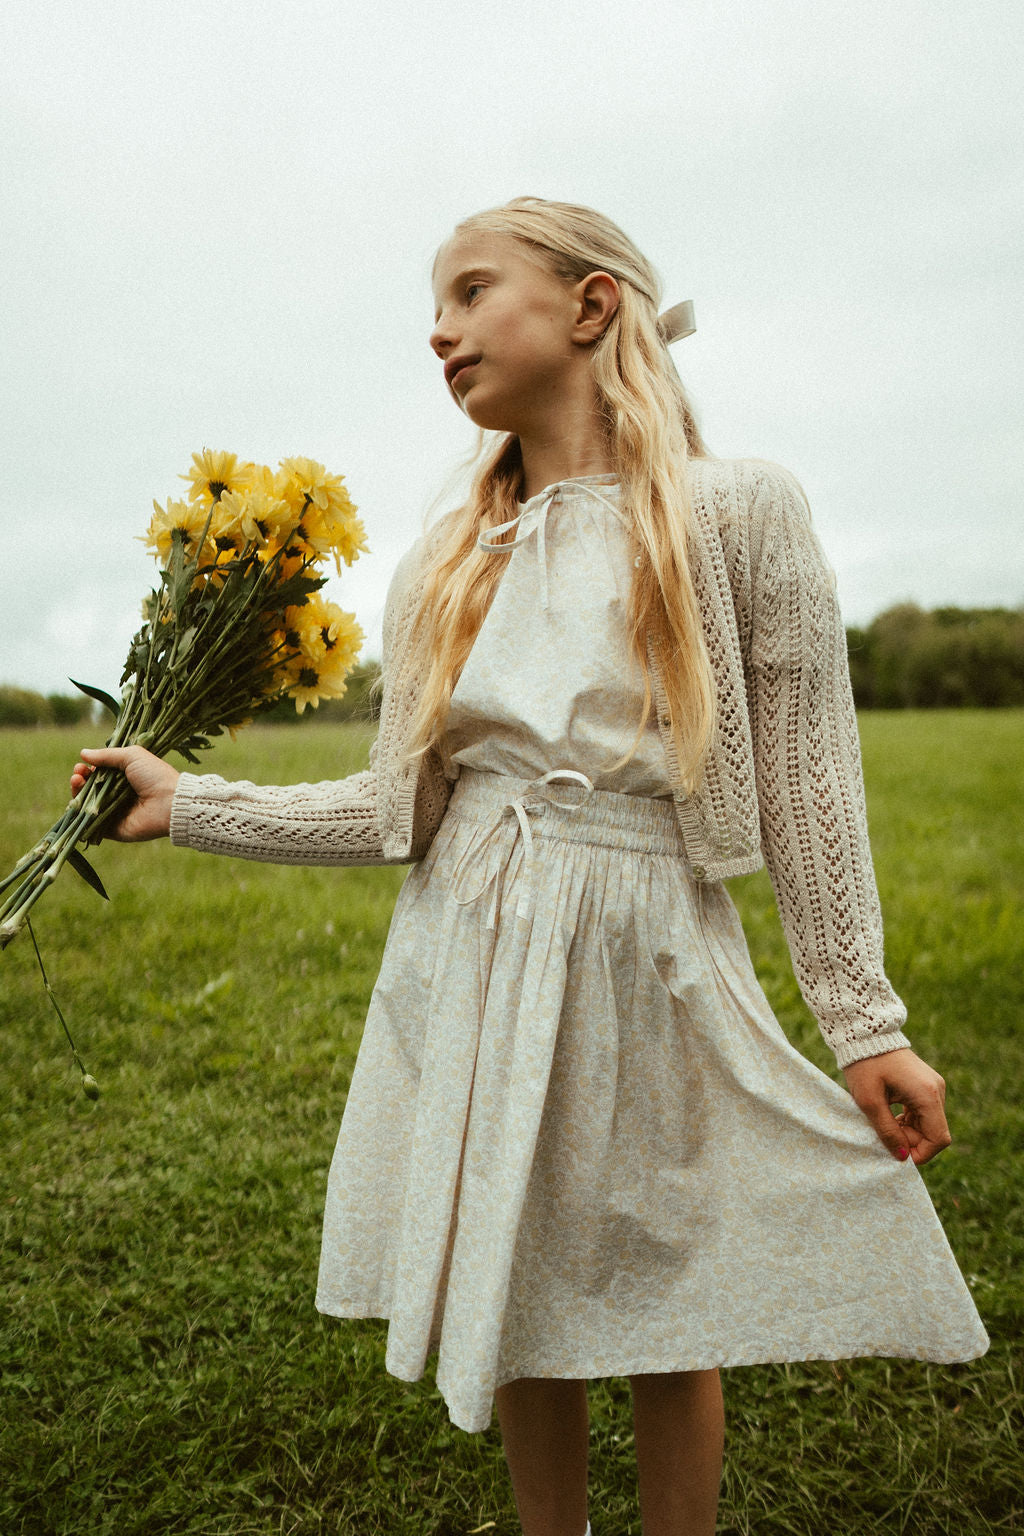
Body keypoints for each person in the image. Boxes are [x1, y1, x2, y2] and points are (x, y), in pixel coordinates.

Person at [72, 197, 988, 1536]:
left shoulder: (738, 511)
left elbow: (808, 786)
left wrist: (864, 1022)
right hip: (472, 942)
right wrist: (192, 806)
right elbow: (402, 813)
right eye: (434, 307)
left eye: (469, 291)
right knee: (518, 1266)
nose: (436, 330)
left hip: (646, 939)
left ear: (590, 304)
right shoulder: (450, 559)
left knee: (671, 1269)